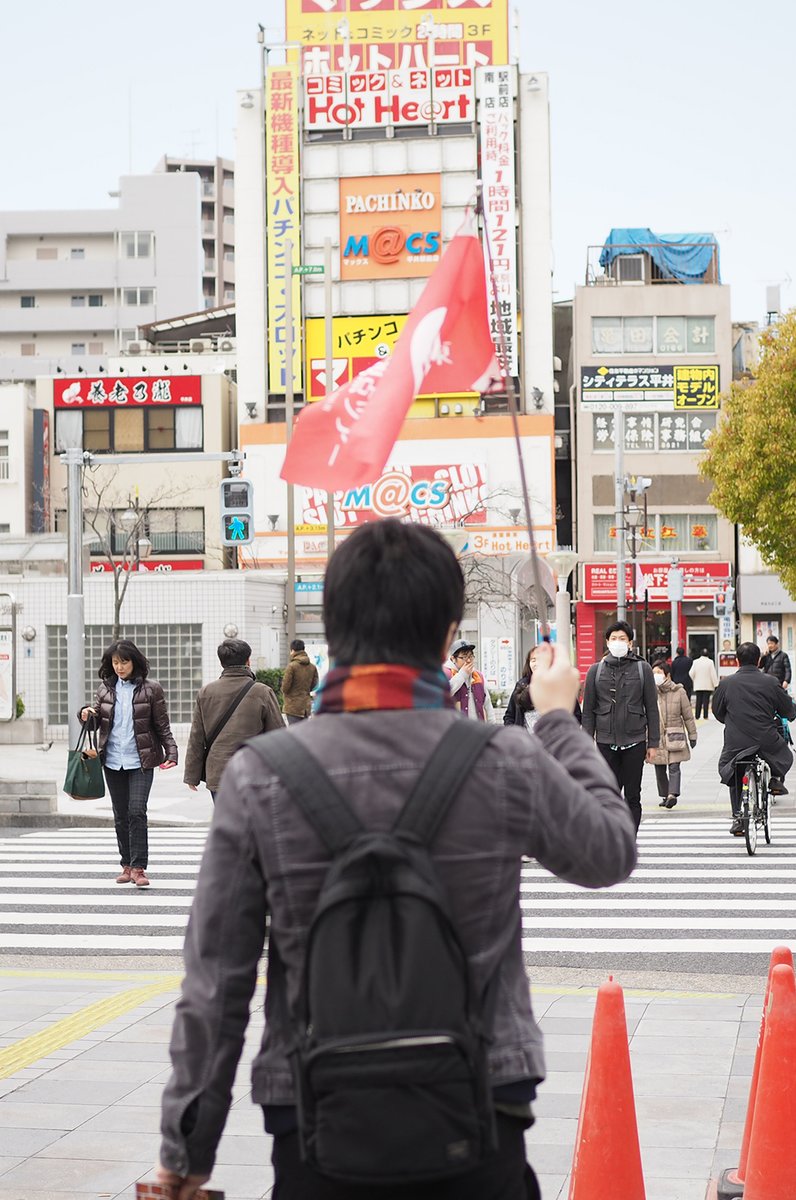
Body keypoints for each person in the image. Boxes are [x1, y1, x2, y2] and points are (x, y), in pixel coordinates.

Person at [156, 519, 637, 1200]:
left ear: (334, 626)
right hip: (479, 1101)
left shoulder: (262, 776)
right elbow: (609, 850)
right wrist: (557, 720)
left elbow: (217, 980)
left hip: (314, 1113)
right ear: (447, 634)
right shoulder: (501, 759)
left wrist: (187, 1147)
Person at [79, 639, 177, 888]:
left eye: (124, 661)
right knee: (121, 815)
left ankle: (139, 867)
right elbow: (96, 723)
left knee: (137, 812)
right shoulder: (104, 690)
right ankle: (126, 865)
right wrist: (85, 714)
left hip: (140, 761)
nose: (120, 667)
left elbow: (162, 725)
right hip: (112, 761)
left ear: (134, 661)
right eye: (115, 662)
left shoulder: (151, 689)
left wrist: (172, 752)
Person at [581, 620, 660, 831]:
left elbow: (652, 708)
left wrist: (653, 743)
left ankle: (630, 838)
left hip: (635, 741)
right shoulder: (595, 671)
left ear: (630, 643)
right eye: (614, 638)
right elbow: (588, 711)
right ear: (607, 642)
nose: (618, 642)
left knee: (633, 795)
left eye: (622, 639)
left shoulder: (643, 669)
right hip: (605, 743)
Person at [712, 642, 796, 835]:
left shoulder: (726, 683)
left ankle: (739, 819)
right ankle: (775, 779)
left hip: (736, 740)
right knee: (781, 751)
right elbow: (787, 709)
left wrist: (732, 721)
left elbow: (717, 711)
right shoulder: (770, 681)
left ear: (736, 660)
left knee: (733, 770)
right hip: (765, 738)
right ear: (759, 660)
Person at [183, 638, 283, 800]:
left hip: (218, 773)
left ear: (222, 663)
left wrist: (191, 776)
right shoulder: (262, 692)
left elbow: (196, 737)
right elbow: (278, 735)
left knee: (227, 822)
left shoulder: (206, 692)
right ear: (248, 661)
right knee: (252, 823)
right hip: (253, 771)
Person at [650, 660, 697, 809]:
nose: (656, 676)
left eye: (659, 672)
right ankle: (665, 795)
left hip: (675, 733)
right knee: (659, 767)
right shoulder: (649, 692)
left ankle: (672, 794)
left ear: (667, 675)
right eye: (654, 673)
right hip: (656, 735)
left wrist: (692, 735)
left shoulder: (679, 691)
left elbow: (688, 716)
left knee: (674, 766)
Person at [504, 645, 582, 729]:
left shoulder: (559, 685)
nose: (536, 664)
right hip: (525, 740)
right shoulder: (521, 685)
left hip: (554, 740)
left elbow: (576, 716)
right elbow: (509, 716)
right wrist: (515, 735)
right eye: (533, 660)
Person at [444, 638, 497, 722]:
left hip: (478, 729)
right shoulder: (446, 673)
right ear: (453, 659)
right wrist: (462, 675)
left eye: (471, 656)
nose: (468, 660)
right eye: (464, 657)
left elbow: (488, 704)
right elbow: (444, 693)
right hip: (456, 730)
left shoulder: (478, 675)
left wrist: (492, 725)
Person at [281, 638, 320, 724]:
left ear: (293, 650)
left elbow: (285, 688)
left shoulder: (291, 666)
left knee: (294, 733)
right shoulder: (312, 667)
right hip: (306, 706)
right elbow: (315, 683)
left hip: (293, 707)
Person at [690, 649, 719, 719]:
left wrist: (694, 679)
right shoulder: (710, 662)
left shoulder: (696, 662)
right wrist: (716, 684)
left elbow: (691, 673)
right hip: (708, 685)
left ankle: (697, 715)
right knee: (706, 701)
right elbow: (713, 674)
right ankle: (705, 716)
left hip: (698, 685)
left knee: (698, 700)